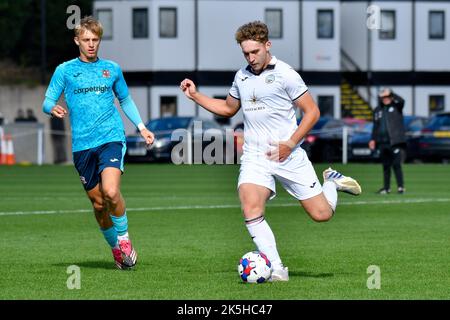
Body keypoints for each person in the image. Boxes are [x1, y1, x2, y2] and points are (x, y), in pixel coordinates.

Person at [180, 21, 361, 282]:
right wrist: (196, 96)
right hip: (255, 156)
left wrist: (289, 144)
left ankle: (331, 182)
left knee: (321, 214)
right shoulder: (241, 76)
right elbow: (229, 108)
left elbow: (312, 112)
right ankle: (277, 269)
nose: (251, 58)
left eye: (255, 52)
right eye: (246, 53)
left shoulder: (286, 74)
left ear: (267, 46)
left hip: (289, 155)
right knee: (249, 204)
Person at [41, 16, 154, 270]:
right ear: (77, 40)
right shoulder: (65, 70)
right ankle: (116, 249)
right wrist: (53, 109)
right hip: (82, 146)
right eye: (86, 40)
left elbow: (125, 100)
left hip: (111, 138)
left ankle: (125, 241)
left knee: (111, 192)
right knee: (99, 204)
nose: (91, 44)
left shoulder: (112, 69)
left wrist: (142, 127)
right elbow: (47, 100)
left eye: (95, 39)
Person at [369, 88, 406, 194]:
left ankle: (400, 187)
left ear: (390, 97)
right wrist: (372, 139)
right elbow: (375, 126)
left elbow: (402, 101)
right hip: (382, 142)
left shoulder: (397, 107)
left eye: (387, 97)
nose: (385, 99)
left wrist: (391, 92)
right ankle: (386, 188)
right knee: (385, 166)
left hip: (394, 141)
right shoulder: (377, 110)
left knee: (396, 164)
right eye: (383, 97)